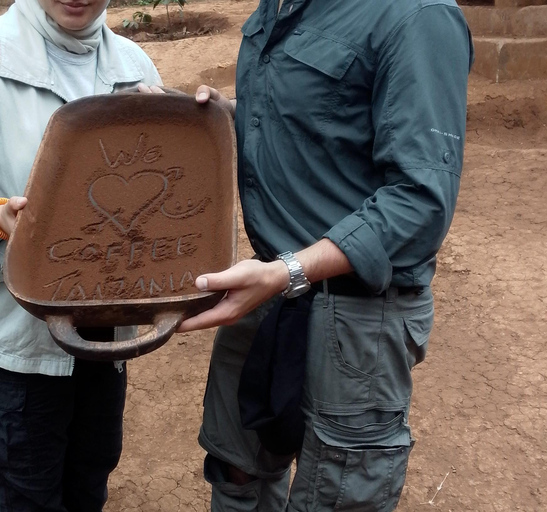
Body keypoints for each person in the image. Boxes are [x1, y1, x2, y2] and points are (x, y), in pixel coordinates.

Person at [179, 0, 473, 510]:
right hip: (267, 289)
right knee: (237, 472)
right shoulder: (281, 6)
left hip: (358, 317)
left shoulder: (417, 15)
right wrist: (212, 117)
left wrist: (289, 272)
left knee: (336, 497)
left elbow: (421, 201)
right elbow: (319, 128)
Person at [0, 0, 161, 509]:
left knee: (90, 475)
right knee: (28, 492)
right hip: (15, 348)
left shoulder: (135, 70)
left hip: (103, 332)